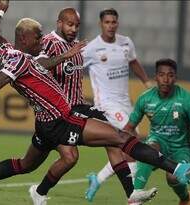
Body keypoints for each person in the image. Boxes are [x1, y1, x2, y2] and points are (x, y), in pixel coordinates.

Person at [0, 1, 190, 205]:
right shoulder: (19, 62)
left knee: (25, 165)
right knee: (120, 138)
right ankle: (177, 169)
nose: (42, 39)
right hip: (60, 119)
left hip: (48, 123)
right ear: (25, 39)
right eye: (38, 37)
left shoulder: (10, 50)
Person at [35, 7, 155, 204]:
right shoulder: (53, 43)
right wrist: (64, 57)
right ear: (59, 23)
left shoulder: (86, 45)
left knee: (106, 144)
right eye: (69, 24)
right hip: (60, 113)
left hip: (83, 106)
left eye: (77, 25)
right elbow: (39, 66)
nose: (74, 29)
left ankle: (130, 194)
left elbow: (133, 62)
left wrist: (146, 81)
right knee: (117, 140)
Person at [83, 8, 153, 203]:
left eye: (114, 22)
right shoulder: (91, 49)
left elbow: (134, 62)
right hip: (106, 105)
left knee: (124, 147)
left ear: (117, 23)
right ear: (101, 24)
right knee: (132, 145)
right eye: (107, 22)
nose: (111, 26)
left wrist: (147, 83)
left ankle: (97, 179)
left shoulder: (126, 42)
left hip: (125, 104)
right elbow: (73, 67)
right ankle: (134, 198)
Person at [123, 58, 190, 205]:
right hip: (158, 141)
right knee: (147, 150)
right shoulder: (145, 99)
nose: (166, 79)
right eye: (161, 75)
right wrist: (130, 155)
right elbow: (128, 129)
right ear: (155, 76)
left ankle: (186, 198)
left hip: (181, 148)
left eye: (170, 75)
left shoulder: (187, 99)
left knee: (173, 177)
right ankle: (134, 200)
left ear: (175, 77)